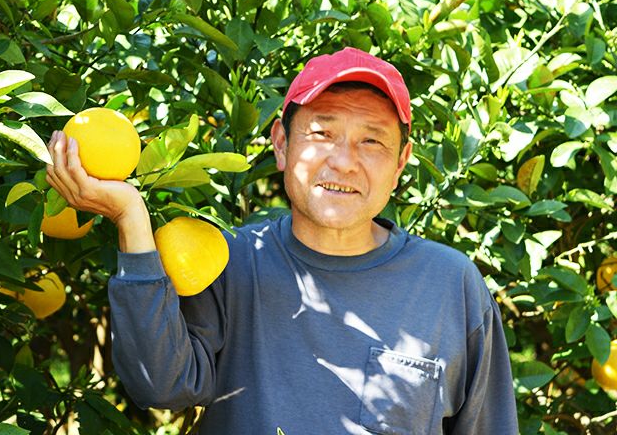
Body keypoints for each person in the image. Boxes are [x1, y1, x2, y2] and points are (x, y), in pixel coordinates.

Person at [46, 47, 518, 434]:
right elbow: (160, 386)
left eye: (371, 141)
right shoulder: (229, 262)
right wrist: (131, 218)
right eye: (322, 132)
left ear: (400, 162)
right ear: (281, 144)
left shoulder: (450, 285)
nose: (344, 161)